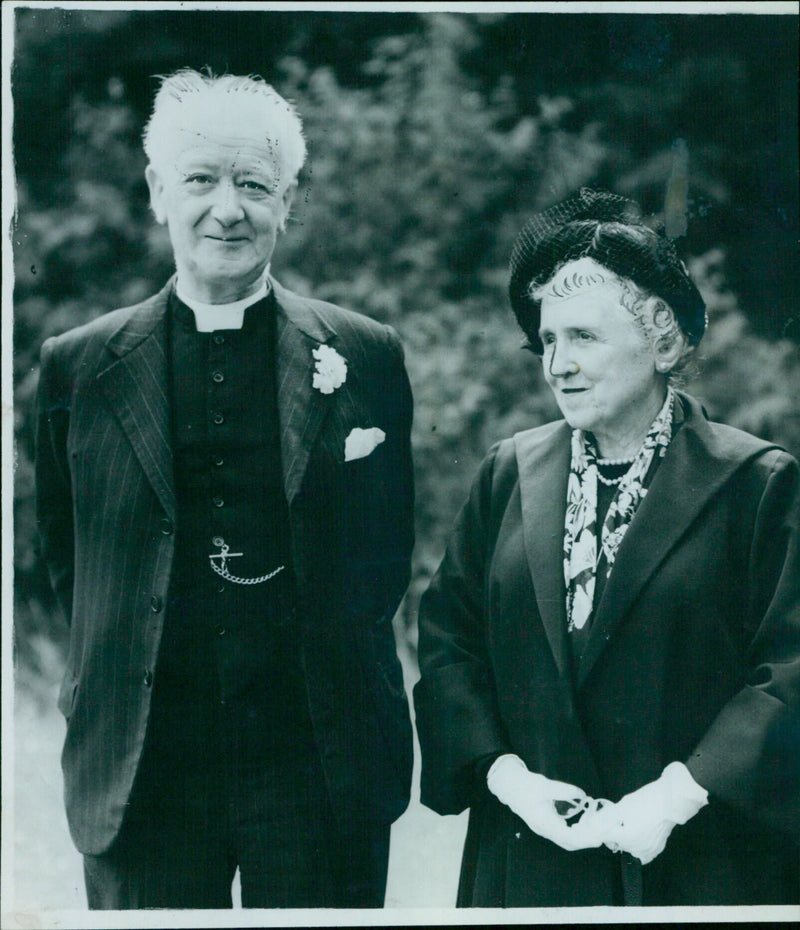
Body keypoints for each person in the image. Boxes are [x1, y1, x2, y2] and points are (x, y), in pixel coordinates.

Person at [34, 68, 414, 910]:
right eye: (202, 180)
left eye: (254, 184)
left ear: (289, 202)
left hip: (317, 763)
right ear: (157, 193)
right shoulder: (79, 365)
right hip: (147, 770)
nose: (228, 208)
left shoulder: (368, 353)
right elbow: (71, 562)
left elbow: (385, 558)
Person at [413, 188, 800, 907]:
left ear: (664, 341)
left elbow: (790, 672)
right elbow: (446, 645)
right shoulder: (508, 474)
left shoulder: (758, 484)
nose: (557, 363)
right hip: (528, 869)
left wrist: (680, 796)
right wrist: (509, 781)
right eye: (548, 339)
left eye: (583, 337)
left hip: (703, 868)